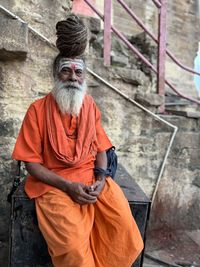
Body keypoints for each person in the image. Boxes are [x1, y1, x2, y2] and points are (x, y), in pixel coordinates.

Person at [12, 14, 143, 267]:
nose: (73, 77)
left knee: (124, 231)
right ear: (55, 75)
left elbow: (102, 148)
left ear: (84, 78)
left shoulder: (90, 105)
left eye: (78, 72)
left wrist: (102, 180)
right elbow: (31, 164)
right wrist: (67, 186)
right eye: (66, 71)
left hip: (92, 182)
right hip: (54, 186)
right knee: (73, 251)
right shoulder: (37, 110)